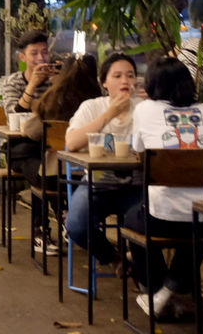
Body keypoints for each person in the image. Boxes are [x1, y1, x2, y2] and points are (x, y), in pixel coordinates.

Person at [127, 56, 203, 320]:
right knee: (200, 221)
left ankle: (155, 292)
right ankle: (171, 289)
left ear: (151, 86)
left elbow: (138, 151)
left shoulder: (144, 110)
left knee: (130, 220)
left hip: (163, 218)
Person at [11, 54, 101, 255]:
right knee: (39, 165)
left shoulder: (54, 98)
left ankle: (41, 232)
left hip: (57, 177)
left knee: (35, 169)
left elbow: (31, 131)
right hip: (91, 175)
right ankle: (65, 217)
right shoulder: (100, 103)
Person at [63, 52, 145, 271]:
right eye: (117, 76)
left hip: (136, 188)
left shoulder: (144, 110)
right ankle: (115, 259)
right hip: (98, 186)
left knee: (146, 226)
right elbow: (71, 143)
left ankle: (145, 277)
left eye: (130, 75)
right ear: (104, 82)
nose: (125, 81)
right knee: (76, 225)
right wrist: (108, 115)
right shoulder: (91, 107)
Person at [0, 30, 57, 115]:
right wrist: (32, 85)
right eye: (34, 53)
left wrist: (59, 84)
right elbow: (13, 116)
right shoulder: (13, 82)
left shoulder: (55, 80)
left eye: (45, 52)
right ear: (23, 57)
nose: (41, 58)